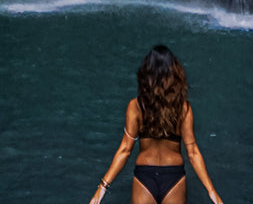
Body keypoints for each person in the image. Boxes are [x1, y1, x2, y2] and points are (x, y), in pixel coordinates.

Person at [88, 45, 223, 204]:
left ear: (146, 73)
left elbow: (125, 150)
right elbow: (192, 152)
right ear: (174, 73)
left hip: (144, 176)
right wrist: (212, 192)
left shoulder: (136, 106)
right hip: (174, 176)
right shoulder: (183, 108)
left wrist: (101, 189)